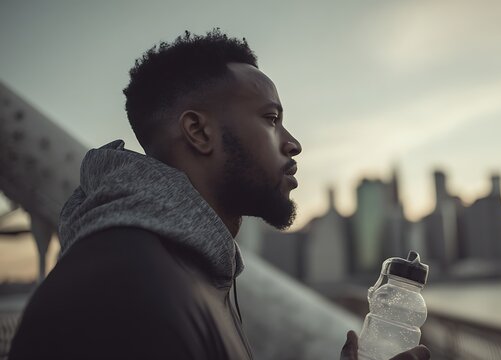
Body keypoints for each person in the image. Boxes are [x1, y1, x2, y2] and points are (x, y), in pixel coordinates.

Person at [9, 29, 429, 360]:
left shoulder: (193, 270)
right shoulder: (121, 293)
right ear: (198, 131)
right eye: (271, 119)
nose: (293, 143)